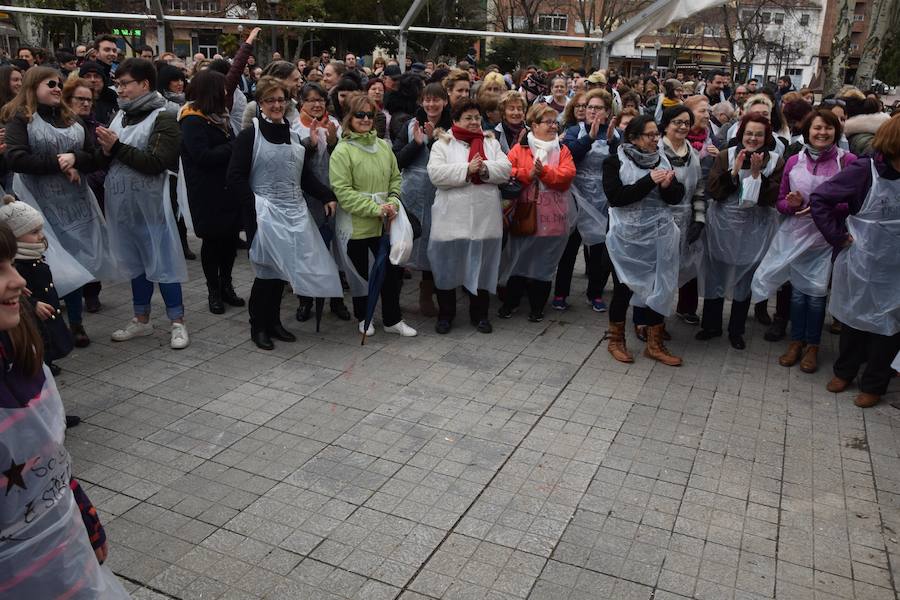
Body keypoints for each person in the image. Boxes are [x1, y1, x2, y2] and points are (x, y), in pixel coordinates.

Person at [0, 222, 128, 599]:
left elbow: (50, 459)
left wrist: (85, 514)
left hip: (61, 552)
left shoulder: (18, 354)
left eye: (10, 264)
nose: (18, 281)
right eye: (0, 269)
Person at [2, 66, 114, 349]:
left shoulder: (71, 118)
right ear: (32, 85)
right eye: (49, 83)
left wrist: (76, 158)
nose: (56, 87)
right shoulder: (20, 118)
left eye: (59, 84)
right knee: (42, 266)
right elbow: (16, 158)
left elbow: (93, 157)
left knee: (77, 261)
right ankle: (43, 329)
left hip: (76, 203)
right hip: (38, 204)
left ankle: (75, 323)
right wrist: (57, 162)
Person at [227, 76, 342, 350]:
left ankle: (275, 322)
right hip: (263, 214)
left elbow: (302, 176)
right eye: (270, 100)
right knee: (266, 273)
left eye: (281, 100)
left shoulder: (293, 135)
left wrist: (326, 195)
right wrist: (254, 209)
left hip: (293, 213)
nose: (276, 105)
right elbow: (235, 177)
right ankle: (259, 326)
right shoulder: (250, 135)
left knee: (282, 272)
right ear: (260, 104)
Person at [94, 58, 190, 349]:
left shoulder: (165, 115)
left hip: (153, 204)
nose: (119, 89)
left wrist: (116, 147)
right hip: (124, 205)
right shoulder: (120, 116)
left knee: (164, 261)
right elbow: (106, 157)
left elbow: (156, 162)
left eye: (125, 84)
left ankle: (177, 322)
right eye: (118, 84)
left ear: (144, 84)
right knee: (136, 264)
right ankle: (141, 319)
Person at [752, 109, 855, 373]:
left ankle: (813, 346)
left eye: (828, 128)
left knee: (817, 294)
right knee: (797, 294)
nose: (822, 133)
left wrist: (829, 208)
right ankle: (796, 341)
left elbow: (855, 202)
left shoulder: (848, 161)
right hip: (796, 236)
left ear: (837, 131)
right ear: (807, 131)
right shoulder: (794, 160)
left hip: (827, 237)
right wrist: (791, 204)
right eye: (817, 128)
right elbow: (781, 202)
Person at [811, 114, 900, 408]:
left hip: (896, 269)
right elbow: (821, 199)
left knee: (889, 326)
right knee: (854, 318)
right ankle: (845, 371)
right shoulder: (865, 170)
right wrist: (837, 236)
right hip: (862, 261)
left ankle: (875, 383)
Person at [329, 93, 417, 338]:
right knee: (361, 277)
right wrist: (375, 208)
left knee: (390, 275)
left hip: (385, 223)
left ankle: (393, 319)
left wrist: (392, 202)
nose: (366, 119)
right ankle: (364, 317)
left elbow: (395, 177)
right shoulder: (342, 151)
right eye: (360, 114)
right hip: (356, 225)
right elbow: (343, 192)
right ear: (349, 118)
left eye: (371, 114)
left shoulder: (382, 145)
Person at [601, 114, 684, 366]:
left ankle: (654, 343)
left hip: (659, 234)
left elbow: (676, 197)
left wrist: (669, 186)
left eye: (656, 135)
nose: (655, 140)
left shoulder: (662, 160)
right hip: (626, 238)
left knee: (660, 286)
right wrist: (649, 181)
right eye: (650, 136)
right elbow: (616, 197)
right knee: (624, 288)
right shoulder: (614, 162)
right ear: (634, 138)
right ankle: (616, 340)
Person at [698, 113, 784, 350]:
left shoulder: (775, 161)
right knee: (716, 273)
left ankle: (736, 330)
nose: (753, 138)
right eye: (748, 133)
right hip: (723, 225)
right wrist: (734, 172)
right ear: (740, 134)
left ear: (766, 137)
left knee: (744, 278)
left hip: (754, 228)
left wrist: (758, 176)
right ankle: (711, 325)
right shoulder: (726, 155)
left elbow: (773, 197)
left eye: (758, 134)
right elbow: (713, 190)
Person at [426, 99, 511, 334]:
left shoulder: (490, 142)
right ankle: (446, 315)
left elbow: (506, 168)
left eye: (477, 118)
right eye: (468, 118)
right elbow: (435, 174)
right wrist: (466, 169)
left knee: (482, 268)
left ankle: (480, 315)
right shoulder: (443, 143)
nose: (474, 122)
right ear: (455, 121)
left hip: (484, 217)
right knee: (446, 268)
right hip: (451, 218)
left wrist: (484, 169)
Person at [499, 104, 576, 322]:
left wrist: (545, 172)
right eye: (548, 122)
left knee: (546, 263)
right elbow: (506, 171)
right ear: (534, 125)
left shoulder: (563, 149)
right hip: (525, 213)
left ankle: (537, 307)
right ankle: (511, 302)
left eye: (555, 122)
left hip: (554, 216)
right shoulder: (520, 148)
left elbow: (568, 175)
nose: (553, 126)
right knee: (518, 259)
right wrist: (528, 173)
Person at [179, 69, 245, 316]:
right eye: (223, 89)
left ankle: (227, 284)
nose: (226, 93)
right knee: (212, 243)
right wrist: (233, 146)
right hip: (207, 192)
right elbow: (202, 156)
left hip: (228, 189)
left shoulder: (221, 117)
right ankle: (213, 290)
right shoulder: (192, 119)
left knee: (229, 243)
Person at [293, 81, 351, 323]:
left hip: (336, 197)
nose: (317, 104)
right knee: (308, 251)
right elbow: (295, 166)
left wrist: (334, 140)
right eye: (311, 100)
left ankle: (336, 300)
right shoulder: (294, 128)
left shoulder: (334, 124)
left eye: (320, 100)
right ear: (301, 103)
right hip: (307, 198)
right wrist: (310, 145)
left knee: (337, 251)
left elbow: (345, 157)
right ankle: (306, 300)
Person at [393, 82, 451, 317]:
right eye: (427, 99)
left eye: (436, 99)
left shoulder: (452, 127)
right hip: (412, 191)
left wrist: (434, 140)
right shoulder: (409, 125)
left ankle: (426, 294)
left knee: (433, 243)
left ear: (444, 102)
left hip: (440, 192)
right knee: (404, 242)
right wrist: (417, 143)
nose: (431, 104)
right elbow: (396, 161)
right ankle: (393, 297)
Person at [555, 88, 616, 313]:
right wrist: (589, 138)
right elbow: (569, 154)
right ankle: (561, 292)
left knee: (599, 250)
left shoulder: (615, 134)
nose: (592, 111)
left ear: (608, 112)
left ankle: (595, 293)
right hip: (576, 197)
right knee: (569, 249)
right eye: (589, 107)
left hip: (602, 199)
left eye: (598, 108)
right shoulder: (574, 130)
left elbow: (620, 164)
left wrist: (612, 143)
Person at [0, 195, 72, 376]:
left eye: (40, 230)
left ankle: (48, 361)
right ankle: (41, 362)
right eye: (33, 232)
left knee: (50, 336)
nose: (41, 236)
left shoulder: (35, 253)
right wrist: (32, 303)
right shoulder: (19, 262)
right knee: (39, 337)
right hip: (32, 312)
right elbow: (21, 291)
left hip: (47, 305)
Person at [659, 105, 705, 337]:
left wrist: (699, 218)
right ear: (666, 124)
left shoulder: (692, 154)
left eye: (687, 123)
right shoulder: (656, 152)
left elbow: (698, 187)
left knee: (686, 266)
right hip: (661, 219)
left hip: (686, 218)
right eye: (677, 122)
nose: (683, 127)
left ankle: (683, 309)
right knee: (660, 271)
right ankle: (653, 320)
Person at [494, 90, 528, 154]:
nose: (516, 112)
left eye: (519, 109)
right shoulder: (496, 133)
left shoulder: (530, 132)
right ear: (503, 112)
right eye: (511, 109)